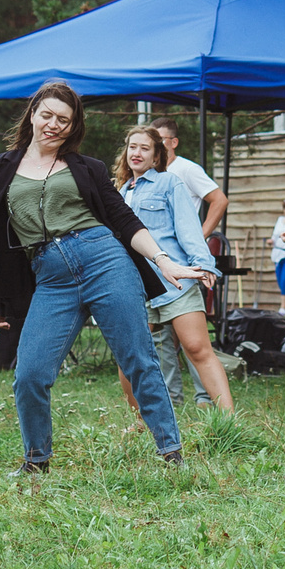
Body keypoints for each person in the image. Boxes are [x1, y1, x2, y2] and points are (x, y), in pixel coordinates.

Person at [0, 81, 207, 474]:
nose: (54, 125)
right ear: (33, 114)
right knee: (30, 374)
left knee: (138, 358)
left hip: (104, 260)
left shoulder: (85, 168)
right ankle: (36, 461)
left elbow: (124, 219)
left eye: (64, 120)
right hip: (51, 277)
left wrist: (163, 259)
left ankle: (171, 453)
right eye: (48, 115)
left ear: (73, 127)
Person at [114, 124, 235, 415]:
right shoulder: (118, 192)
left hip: (174, 283)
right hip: (134, 285)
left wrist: (204, 264)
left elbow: (188, 227)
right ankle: (142, 423)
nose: (137, 153)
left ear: (157, 156)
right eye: (133, 147)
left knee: (197, 348)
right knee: (128, 355)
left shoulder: (170, 183)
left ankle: (230, 422)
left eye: (145, 148)